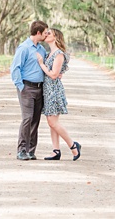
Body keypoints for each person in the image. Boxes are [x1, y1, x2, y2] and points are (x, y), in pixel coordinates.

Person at [36, 28, 81, 161]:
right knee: (52, 122)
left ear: (55, 37)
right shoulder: (50, 53)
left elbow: (54, 75)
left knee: (53, 122)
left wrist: (41, 64)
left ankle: (73, 145)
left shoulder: (58, 54)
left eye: (49, 33)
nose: (46, 34)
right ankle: (56, 151)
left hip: (54, 91)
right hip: (47, 90)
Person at [10, 20, 49, 161]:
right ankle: (21, 150)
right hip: (27, 87)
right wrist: (21, 87)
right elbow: (15, 69)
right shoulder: (24, 48)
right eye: (45, 33)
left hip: (40, 88)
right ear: (38, 33)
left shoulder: (41, 49)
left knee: (35, 120)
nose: (47, 35)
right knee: (27, 119)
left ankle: (31, 150)